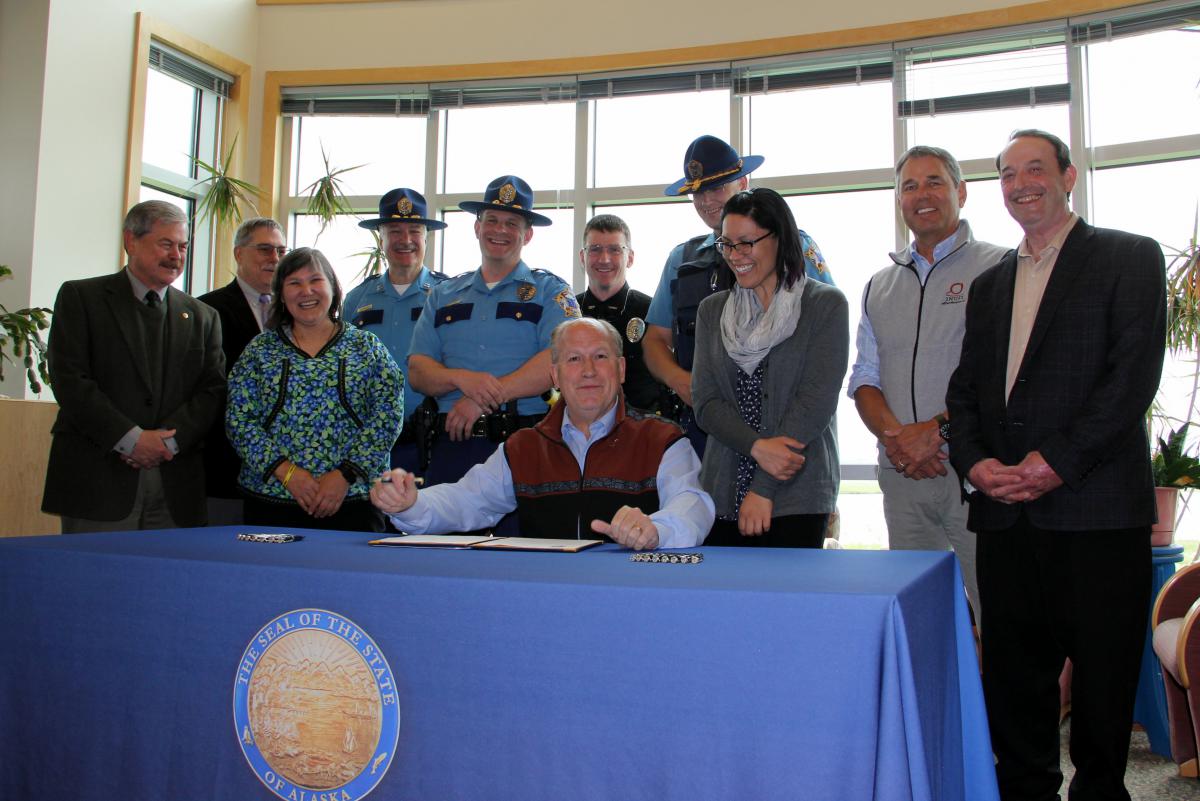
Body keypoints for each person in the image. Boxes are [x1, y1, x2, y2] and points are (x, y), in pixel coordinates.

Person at [946, 129, 1166, 801]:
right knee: (1016, 689)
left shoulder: (1129, 257)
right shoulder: (988, 286)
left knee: (1103, 688)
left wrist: (1054, 463)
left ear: (1068, 175)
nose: (1020, 183)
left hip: (1096, 512)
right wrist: (976, 463)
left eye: (1034, 168)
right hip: (1006, 519)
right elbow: (965, 392)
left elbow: (1131, 381)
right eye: (1007, 174)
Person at [371, 318, 714, 548]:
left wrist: (657, 529)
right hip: (545, 604)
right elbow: (466, 501)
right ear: (555, 375)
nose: (589, 371)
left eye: (600, 356)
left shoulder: (662, 439)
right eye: (574, 360)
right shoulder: (523, 447)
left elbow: (694, 504)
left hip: (634, 603)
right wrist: (410, 506)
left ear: (621, 369)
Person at [849, 146, 1006, 620]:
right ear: (899, 200)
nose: (922, 195)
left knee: (998, 613)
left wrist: (933, 434)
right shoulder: (880, 284)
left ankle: (993, 700)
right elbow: (864, 378)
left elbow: (1001, 378)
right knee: (920, 618)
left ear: (960, 192)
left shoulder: (1001, 267)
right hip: (904, 478)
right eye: (909, 186)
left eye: (934, 182)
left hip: (973, 476)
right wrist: (898, 441)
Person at [643, 134, 834, 456]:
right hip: (706, 428)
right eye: (697, 193)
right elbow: (654, 340)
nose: (705, 202)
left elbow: (826, 338)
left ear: (743, 182)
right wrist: (680, 380)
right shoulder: (682, 259)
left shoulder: (794, 247)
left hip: (782, 424)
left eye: (716, 188)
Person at [41, 200, 226, 532]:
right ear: (131, 241)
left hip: (175, 483)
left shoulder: (203, 316)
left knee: (167, 582)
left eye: (182, 246)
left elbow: (211, 390)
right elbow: (70, 379)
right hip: (99, 478)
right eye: (166, 244)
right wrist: (131, 439)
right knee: (96, 581)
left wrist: (166, 442)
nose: (177, 255)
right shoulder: (82, 298)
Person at [691, 188, 848, 547]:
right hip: (722, 493)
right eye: (726, 244)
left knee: (790, 602)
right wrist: (758, 447)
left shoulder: (824, 305)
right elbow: (706, 403)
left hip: (798, 495)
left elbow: (813, 405)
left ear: (780, 238)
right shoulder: (712, 311)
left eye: (747, 243)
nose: (735, 256)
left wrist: (763, 487)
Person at [406, 174, 581, 497]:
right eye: (492, 220)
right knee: (440, 543)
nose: (500, 230)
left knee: (524, 546)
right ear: (477, 227)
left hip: (524, 444)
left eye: (512, 223)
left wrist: (483, 398)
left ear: (527, 234)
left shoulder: (550, 291)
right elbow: (418, 371)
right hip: (452, 445)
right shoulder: (443, 294)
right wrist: (462, 379)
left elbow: (559, 359)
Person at [226, 247, 403, 532]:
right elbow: (239, 421)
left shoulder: (366, 347)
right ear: (281, 294)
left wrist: (345, 475)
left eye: (315, 280)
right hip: (272, 503)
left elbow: (388, 416)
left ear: (333, 287)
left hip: (354, 501)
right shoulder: (260, 350)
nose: (306, 291)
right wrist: (288, 474)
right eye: (294, 283)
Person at [343, 188, 448, 474]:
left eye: (414, 230)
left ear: (426, 235)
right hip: (368, 441)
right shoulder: (356, 299)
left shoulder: (449, 295)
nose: (405, 240)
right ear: (381, 236)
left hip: (430, 438)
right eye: (394, 231)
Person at [198, 217, 287, 525]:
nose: (274, 258)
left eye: (280, 250)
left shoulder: (297, 312)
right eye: (264, 249)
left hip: (288, 475)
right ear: (238, 253)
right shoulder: (206, 310)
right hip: (226, 466)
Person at [575, 213, 664, 412]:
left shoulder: (652, 311)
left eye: (614, 250)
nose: (604, 259)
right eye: (595, 249)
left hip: (641, 430)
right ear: (583, 257)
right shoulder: (569, 312)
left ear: (630, 257)